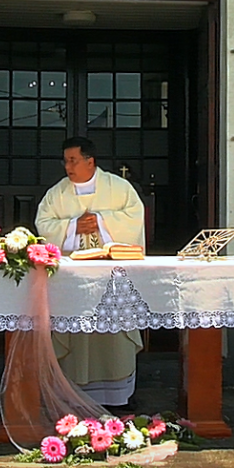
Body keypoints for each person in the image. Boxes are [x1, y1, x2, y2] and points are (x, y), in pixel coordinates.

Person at [35, 136, 145, 407]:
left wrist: (100, 222)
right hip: (75, 280)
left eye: (73, 160)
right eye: (66, 161)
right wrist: (72, 227)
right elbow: (44, 222)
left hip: (112, 276)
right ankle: (72, 393)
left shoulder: (119, 187)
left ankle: (117, 396)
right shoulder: (58, 193)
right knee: (76, 332)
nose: (68, 167)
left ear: (90, 161)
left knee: (113, 335)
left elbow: (135, 216)